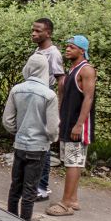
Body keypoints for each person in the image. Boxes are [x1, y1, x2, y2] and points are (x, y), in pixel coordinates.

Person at [2, 54, 60, 221]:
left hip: (20, 145)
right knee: (30, 191)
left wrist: (18, 132)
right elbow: (52, 128)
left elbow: (7, 120)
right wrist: (51, 139)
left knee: (15, 187)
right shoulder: (49, 95)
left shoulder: (16, 90)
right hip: (39, 148)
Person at [47, 35, 96, 217]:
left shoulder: (87, 70)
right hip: (67, 122)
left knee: (73, 163)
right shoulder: (72, 69)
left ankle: (66, 203)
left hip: (77, 124)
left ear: (82, 51)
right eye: (66, 46)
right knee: (69, 160)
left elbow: (88, 98)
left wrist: (79, 124)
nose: (67, 49)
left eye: (71, 47)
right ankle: (73, 199)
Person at [31, 17, 66, 201]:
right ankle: (34, 183)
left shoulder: (53, 53)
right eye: (33, 30)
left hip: (46, 100)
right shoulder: (38, 50)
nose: (34, 34)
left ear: (48, 33)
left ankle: (42, 187)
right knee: (36, 143)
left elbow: (60, 79)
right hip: (34, 101)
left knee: (44, 145)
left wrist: (58, 107)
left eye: (38, 31)